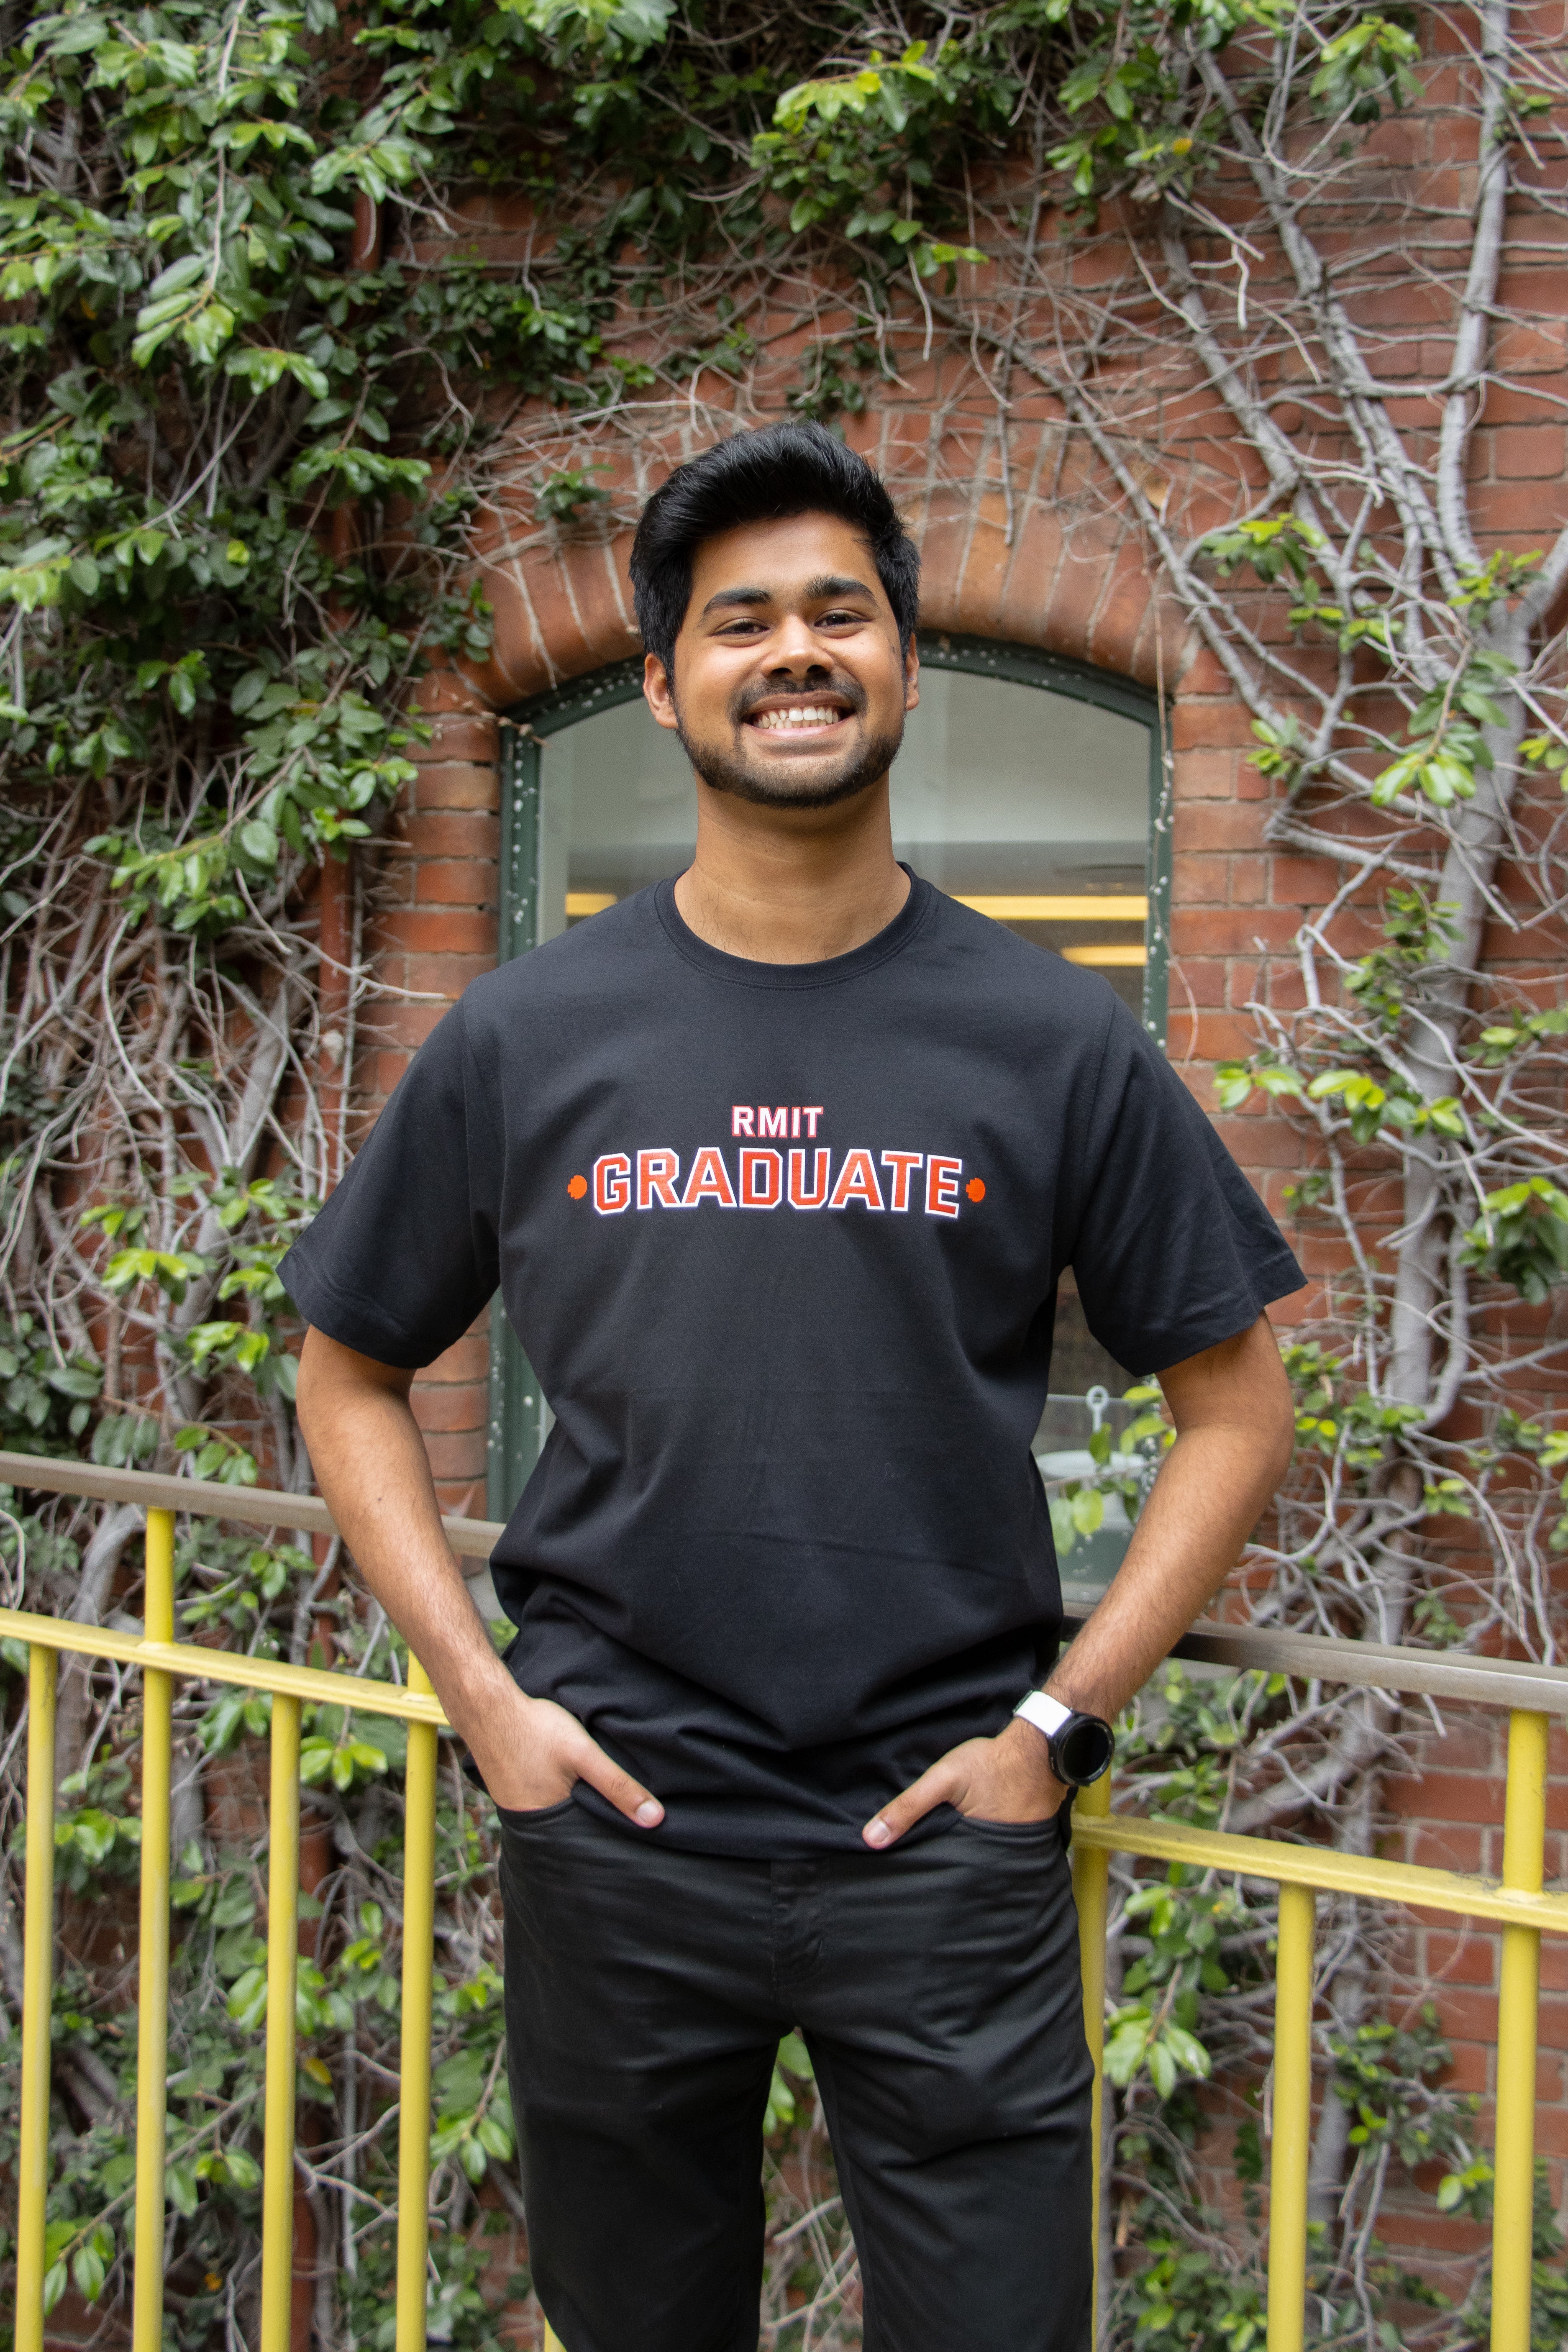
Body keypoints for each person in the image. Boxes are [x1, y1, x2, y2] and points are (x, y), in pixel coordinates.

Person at [287, 419, 1300, 2352]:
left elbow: (1234, 1403)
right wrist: (483, 1702)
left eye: (841, 609)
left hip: (949, 1840)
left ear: (909, 660)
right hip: (618, 1825)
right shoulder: (530, 1034)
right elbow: (347, 1373)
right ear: (664, 682)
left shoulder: (1048, 1036)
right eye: (740, 621)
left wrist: (1056, 1731)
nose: (796, 650)